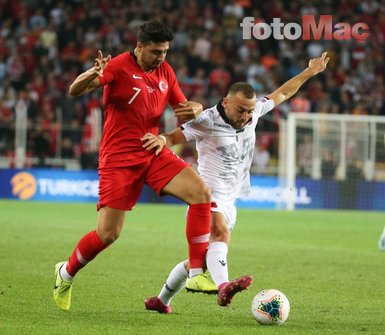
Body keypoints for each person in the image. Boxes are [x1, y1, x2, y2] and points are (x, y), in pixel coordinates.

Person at [142, 52, 330, 313]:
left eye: (249, 111)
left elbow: (283, 93)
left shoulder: (253, 114)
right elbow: (175, 135)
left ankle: (160, 301)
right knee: (221, 233)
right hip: (206, 194)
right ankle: (224, 288)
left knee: (206, 260)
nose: (245, 116)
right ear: (227, 102)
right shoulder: (207, 120)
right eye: (240, 110)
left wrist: (311, 71)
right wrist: (162, 140)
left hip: (231, 198)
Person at [53, 21, 212, 311]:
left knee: (200, 193)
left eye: (164, 51)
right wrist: (91, 73)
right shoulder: (117, 66)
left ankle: (198, 272)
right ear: (139, 47)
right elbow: (75, 91)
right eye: (154, 52)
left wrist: (197, 107)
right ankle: (65, 273)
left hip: (152, 149)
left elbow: (183, 109)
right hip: (118, 159)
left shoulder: (165, 72)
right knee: (108, 235)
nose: (160, 57)